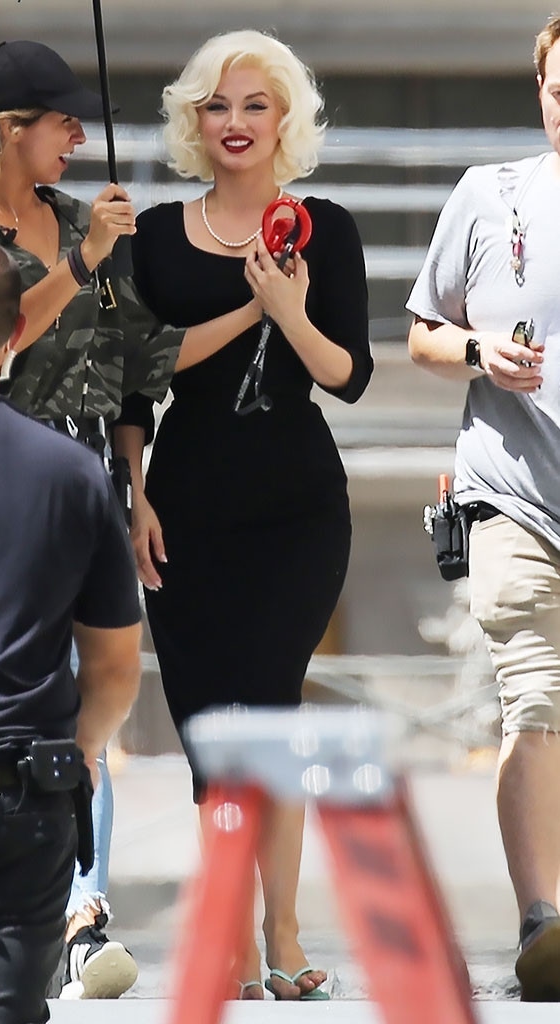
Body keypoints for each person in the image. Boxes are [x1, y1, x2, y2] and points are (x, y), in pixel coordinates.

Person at [0, 39, 187, 1000]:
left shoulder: (90, 222)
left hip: (80, 479)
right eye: (59, 118)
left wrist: (136, 486)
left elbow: (128, 373)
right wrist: (80, 260)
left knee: (95, 679)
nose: (79, 133)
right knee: (11, 683)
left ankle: (84, 907)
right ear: (6, 130)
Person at [115, 29, 373, 1001]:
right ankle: (228, 930)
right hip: (182, 506)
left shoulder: (325, 228)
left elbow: (345, 374)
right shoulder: (149, 237)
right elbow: (136, 381)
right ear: (193, 119)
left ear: (284, 122)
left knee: (266, 716)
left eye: (254, 105)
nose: (234, 123)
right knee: (209, 729)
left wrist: (293, 312)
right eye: (216, 106)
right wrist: (132, 492)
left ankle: (282, 934)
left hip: (296, 511)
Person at [0, 233, 142, 1023]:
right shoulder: (67, 469)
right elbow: (116, 668)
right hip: (15, 804)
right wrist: (79, 756)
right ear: (15, 332)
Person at [406, 13, 560, 1002]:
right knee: (535, 695)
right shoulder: (488, 193)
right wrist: (473, 352)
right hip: (511, 496)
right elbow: (421, 331)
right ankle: (544, 920)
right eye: (557, 84)